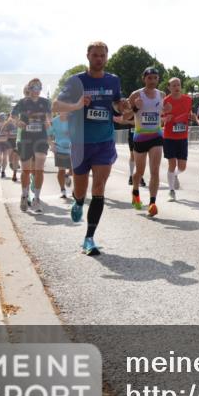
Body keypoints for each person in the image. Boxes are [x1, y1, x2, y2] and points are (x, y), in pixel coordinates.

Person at [53, 41, 132, 255]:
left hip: (104, 142)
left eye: (102, 55)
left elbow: (115, 103)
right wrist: (77, 105)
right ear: (88, 56)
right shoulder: (76, 81)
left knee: (98, 187)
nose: (99, 59)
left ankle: (89, 238)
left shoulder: (113, 80)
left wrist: (122, 105)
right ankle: (78, 202)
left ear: (107, 57)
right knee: (81, 191)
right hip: (80, 143)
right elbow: (56, 106)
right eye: (95, 55)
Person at [128, 68, 164, 216]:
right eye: (150, 78)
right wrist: (136, 106)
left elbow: (161, 113)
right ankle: (135, 192)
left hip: (156, 135)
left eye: (155, 78)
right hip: (140, 137)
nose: (153, 81)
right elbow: (127, 116)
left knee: (155, 170)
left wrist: (166, 112)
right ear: (144, 79)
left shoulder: (162, 95)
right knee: (140, 172)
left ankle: (152, 203)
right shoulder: (136, 94)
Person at [12, 78, 51, 213]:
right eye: (34, 87)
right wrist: (18, 122)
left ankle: (37, 199)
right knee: (26, 171)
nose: (36, 90)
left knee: (39, 169)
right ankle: (24, 195)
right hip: (26, 139)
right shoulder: (22, 103)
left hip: (41, 138)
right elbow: (13, 116)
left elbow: (49, 116)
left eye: (39, 87)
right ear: (29, 88)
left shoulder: (45, 102)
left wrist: (48, 122)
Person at [161, 77, 196, 202]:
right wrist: (166, 119)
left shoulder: (187, 99)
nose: (176, 87)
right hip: (169, 136)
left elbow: (189, 113)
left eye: (178, 85)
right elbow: (160, 118)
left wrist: (191, 117)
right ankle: (171, 191)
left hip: (182, 136)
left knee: (182, 167)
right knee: (172, 163)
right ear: (169, 87)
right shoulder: (165, 101)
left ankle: (175, 175)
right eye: (173, 85)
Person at [49, 109, 73, 199]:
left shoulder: (73, 120)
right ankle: (63, 190)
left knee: (73, 170)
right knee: (61, 170)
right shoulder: (54, 121)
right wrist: (52, 145)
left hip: (73, 149)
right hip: (59, 148)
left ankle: (67, 175)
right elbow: (48, 135)